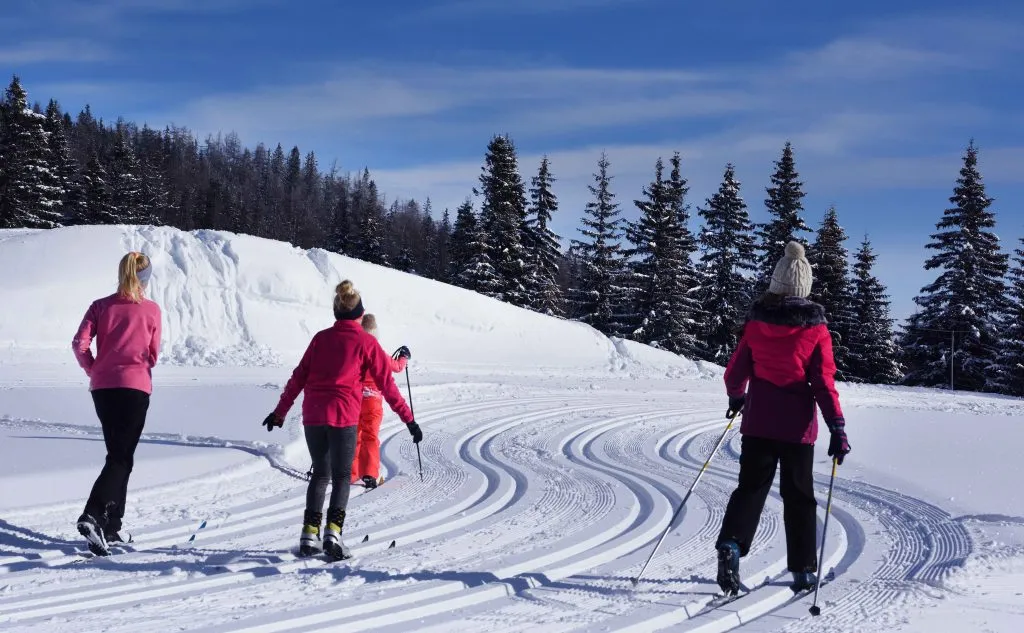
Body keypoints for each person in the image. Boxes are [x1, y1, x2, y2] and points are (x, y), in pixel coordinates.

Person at [716, 241, 851, 595]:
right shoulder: (815, 330)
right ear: (804, 288)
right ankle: (804, 572)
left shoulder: (756, 323)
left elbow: (735, 372)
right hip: (797, 429)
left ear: (776, 282)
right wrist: (837, 427)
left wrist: (736, 398)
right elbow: (823, 382)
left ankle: (731, 543)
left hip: (759, 421)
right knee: (799, 496)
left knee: (751, 488)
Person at [263, 281, 421, 560]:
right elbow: (388, 385)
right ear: (359, 315)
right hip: (344, 417)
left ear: (336, 313)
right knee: (340, 478)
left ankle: (309, 536)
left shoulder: (320, 339)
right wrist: (409, 421)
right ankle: (333, 535)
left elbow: (298, 377)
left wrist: (280, 412)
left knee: (320, 476)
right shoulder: (367, 342)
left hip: (313, 417)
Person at [72, 251, 162, 556]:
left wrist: (94, 367)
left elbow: (79, 344)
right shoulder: (151, 311)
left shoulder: (99, 306)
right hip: (135, 387)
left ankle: (112, 526)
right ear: (145, 279)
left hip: (102, 388)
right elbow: (153, 354)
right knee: (121, 458)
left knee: (119, 455)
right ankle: (93, 515)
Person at [350, 313, 411, 490]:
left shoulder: (354, 352)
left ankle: (350, 473)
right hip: (373, 401)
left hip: (354, 400)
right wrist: (404, 357)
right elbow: (397, 367)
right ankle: (369, 474)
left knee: (354, 436)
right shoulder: (378, 353)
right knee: (370, 436)